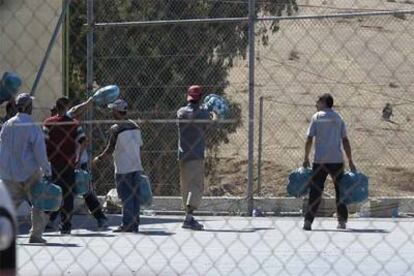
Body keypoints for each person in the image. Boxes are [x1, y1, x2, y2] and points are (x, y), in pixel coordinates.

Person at [47, 99, 108, 229]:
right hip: (70, 162)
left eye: (53, 111)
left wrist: (89, 102)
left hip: (76, 163)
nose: (52, 114)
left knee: (83, 191)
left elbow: (76, 109)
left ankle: (99, 217)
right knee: (63, 192)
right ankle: (55, 221)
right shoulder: (58, 122)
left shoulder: (69, 120)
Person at [0, 93, 52, 243]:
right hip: (30, 173)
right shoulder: (33, 127)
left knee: (9, 206)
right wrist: (47, 170)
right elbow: (40, 152)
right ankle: (35, 234)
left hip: (9, 173)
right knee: (37, 203)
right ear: (29, 107)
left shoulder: (7, 125)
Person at [302, 93, 356, 231]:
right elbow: (345, 140)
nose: (316, 103)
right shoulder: (338, 118)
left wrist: (306, 157)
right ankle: (342, 221)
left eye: (318, 100)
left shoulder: (317, 117)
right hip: (336, 160)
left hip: (320, 160)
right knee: (340, 191)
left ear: (324, 102)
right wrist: (350, 160)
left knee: (315, 191)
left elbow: (309, 139)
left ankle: (308, 221)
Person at [93, 99, 144, 233]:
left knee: (126, 196)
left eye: (113, 110)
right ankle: (135, 223)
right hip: (137, 166)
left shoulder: (116, 128)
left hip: (123, 167)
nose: (111, 112)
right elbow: (139, 146)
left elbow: (110, 148)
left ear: (116, 111)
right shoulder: (135, 126)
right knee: (135, 197)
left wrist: (99, 158)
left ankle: (127, 224)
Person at [177, 85, 217, 230]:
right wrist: (213, 114)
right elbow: (210, 124)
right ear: (200, 97)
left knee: (186, 186)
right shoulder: (203, 114)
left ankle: (187, 216)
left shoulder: (180, 112)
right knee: (196, 186)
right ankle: (189, 218)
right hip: (196, 154)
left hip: (182, 154)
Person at [43, 97, 86, 235]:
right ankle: (66, 225)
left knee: (51, 192)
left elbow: (43, 143)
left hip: (52, 163)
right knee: (68, 195)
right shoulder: (73, 123)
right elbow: (83, 141)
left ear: (56, 107)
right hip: (68, 163)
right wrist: (78, 159)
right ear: (66, 107)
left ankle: (45, 220)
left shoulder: (48, 123)